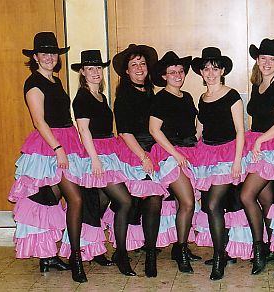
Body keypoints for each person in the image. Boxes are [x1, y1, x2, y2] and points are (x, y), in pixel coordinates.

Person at [9, 32, 86, 283]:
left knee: (51, 198)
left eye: (53, 52)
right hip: (49, 146)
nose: (50, 57)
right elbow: (39, 121)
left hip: (65, 140)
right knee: (75, 199)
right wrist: (58, 148)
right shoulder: (34, 83)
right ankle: (76, 257)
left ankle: (47, 256)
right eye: (44, 53)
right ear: (35, 57)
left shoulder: (55, 80)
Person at [71, 50, 136, 277]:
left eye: (98, 68)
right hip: (96, 154)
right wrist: (95, 160)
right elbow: (84, 130)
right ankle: (122, 255)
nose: (95, 72)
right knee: (124, 201)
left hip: (110, 150)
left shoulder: (102, 96)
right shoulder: (81, 97)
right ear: (82, 72)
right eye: (90, 68)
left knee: (99, 204)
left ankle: (94, 249)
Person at [112, 44, 167, 277]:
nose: (139, 68)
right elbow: (124, 132)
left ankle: (151, 255)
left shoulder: (151, 93)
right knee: (127, 204)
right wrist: (143, 157)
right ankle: (122, 255)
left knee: (154, 200)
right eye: (133, 64)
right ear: (126, 71)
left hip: (152, 150)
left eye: (142, 63)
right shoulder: (123, 97)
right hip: (132, 152)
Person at [190, 47, 245, 280]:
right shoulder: (202, 98)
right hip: (207, 154)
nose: (210, 73)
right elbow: (201, 128)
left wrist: (236, 161)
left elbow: (241, 130)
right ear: (201, 73)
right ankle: (222, 251)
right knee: (212, 205)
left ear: (222, 71)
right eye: (206, 69)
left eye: (215, 68)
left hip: (227, 154)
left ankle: (220, 257)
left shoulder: (232, 95)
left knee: (213, 205)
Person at [240, 38, 274, 275]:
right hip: (258, 143)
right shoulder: (257, 84)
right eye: (263, 58)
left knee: (246, 195)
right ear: (257, 61)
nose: (267, 63)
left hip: (270, 146)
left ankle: (259, 250)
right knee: (266, 200)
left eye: (272, 59)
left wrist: (260, 141)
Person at [149, 51, 198, 274]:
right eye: (172, 72)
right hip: (170, 154)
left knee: (182, 202)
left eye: (180, 71)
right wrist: (175, 154)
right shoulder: (160, 98)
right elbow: (154, 130)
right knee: (188, 202)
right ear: (164, 76)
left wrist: (197, 140)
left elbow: (194, 123)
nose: (177, 75)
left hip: (189, 151)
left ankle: (181, 248)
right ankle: (181, 249)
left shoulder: (187, 97)